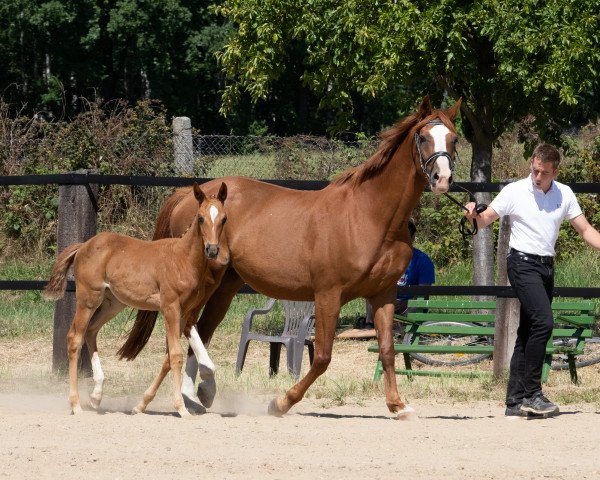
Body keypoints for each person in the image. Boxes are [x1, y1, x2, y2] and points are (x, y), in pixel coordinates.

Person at [464, 143, 600, 418]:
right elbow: (484, 220)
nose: (537, 177)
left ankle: (514, 402)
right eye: (534, 170)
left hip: (546, 267)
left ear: (555, 171)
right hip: (521, 264)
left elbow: (585, 230)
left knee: (528, 331)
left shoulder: (565, 194)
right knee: (543, 322)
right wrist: (472, 215)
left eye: (543, 173)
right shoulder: (515, 191)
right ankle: (532, 394)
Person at [363, 220, 435, 329]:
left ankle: (401, 325)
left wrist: (406, 303)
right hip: (388, 300)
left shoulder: (422, 260)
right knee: (370, 290)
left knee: (416, 304)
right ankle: (369, 323)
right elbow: (376, 283)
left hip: (410, 304)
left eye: (407, 237)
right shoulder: (384, 258)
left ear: (413, 237)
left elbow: (424, 292)